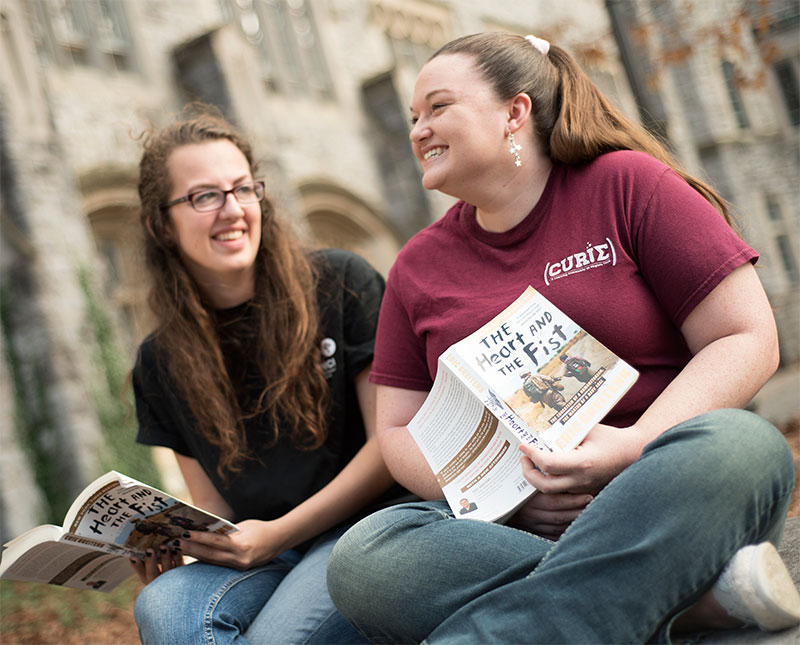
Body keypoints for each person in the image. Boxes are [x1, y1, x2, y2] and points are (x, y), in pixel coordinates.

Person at [326, 32, 800, 643]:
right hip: (512, 524)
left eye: (439, 108)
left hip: (662, 482)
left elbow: (748, 337)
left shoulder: (626, 184)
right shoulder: (417, 266)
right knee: (367, 556)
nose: (418, 129)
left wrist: (629, 448)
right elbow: (397, 430)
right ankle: (690, 603)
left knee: (741, 444)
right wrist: (510, 495)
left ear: (514, 113)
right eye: (414, 117)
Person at [129, 109, 404, 644]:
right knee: (162, 606)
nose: (232, 210)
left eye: (242, 189)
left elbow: (388, 448)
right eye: (204, 196)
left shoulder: (341, 284)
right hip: (264, 554)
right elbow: (215, 510)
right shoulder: (159, 362)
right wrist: (183, 545)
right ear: (161, 225)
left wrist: (278, 535)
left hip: (364, 533)